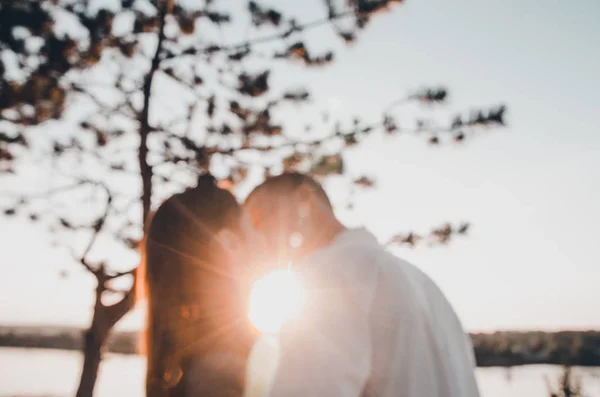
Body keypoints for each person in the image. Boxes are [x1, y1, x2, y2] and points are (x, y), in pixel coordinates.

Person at [244, 172, 480, 397]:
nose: (258, 239)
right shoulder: (426, 285)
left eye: (261, 219)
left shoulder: (330, 273)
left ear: (304, 200)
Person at [142, 173, 261, 397]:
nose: (261, 237)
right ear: (229, 242)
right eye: (252, 226)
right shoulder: (222, 370)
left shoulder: (186, 358)